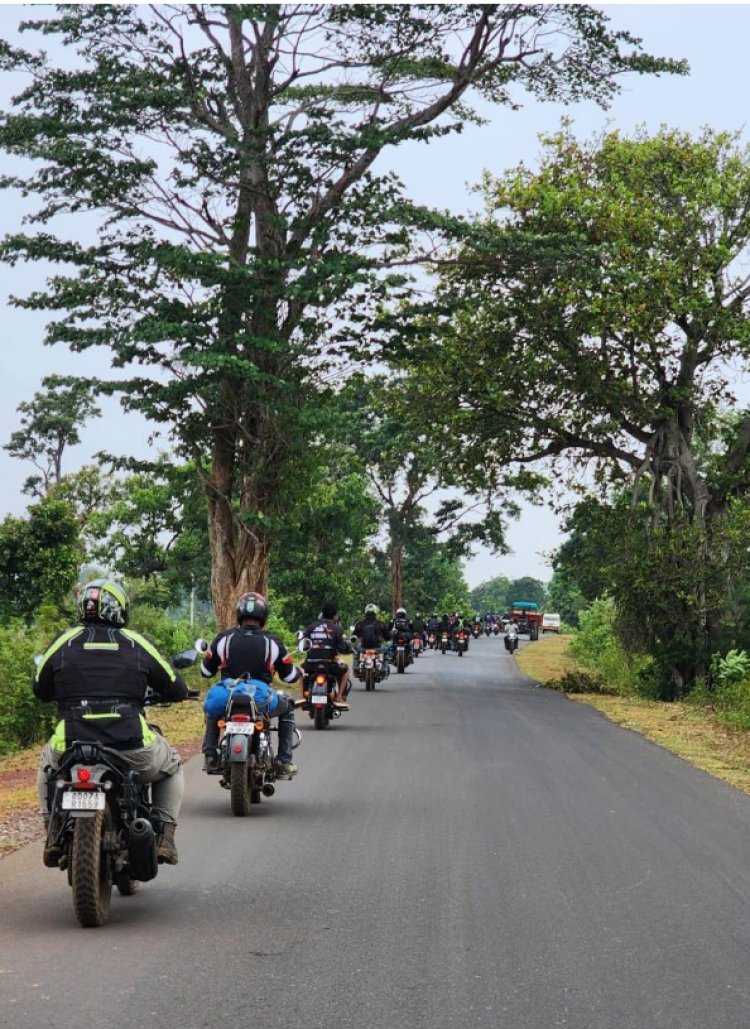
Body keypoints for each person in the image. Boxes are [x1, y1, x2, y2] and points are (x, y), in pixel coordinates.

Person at [33, 578, 188, 866]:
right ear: (119, 608)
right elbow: (175, 687)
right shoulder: (135, 641)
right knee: (172, 765)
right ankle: (165, 837)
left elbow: (40, 689)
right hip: (130, 747)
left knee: (46, 766)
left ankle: (52, 832)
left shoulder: (63, 642)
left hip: (71, 745)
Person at [201, 591, 302, 776]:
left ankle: (209, 754)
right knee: (287, 706)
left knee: (214, 706)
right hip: (260, 697)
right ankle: (284, 761)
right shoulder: (272, 641)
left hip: (229, 695)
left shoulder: (223, 638)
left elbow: (206, 672)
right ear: (263, 616)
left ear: (239, 614)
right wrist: (299, 673)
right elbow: (288, 677)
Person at [302, 601, 353, 706]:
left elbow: (304, 644)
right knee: (346, 671)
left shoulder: (310, 627)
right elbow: (342, 648)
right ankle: (339, 697)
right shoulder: (338, 629)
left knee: (301, 672)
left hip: (311, 664)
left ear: (322, 613)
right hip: (329, 665)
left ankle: (301, 696)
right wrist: (349, 649)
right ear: (335, 616)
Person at [353, 603, 390, 677]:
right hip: (377, 648)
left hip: (363, 648)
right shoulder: (381, 624)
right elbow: (387, 637)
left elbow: (353, 636)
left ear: (365, 611)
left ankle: (356, 668)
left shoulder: (360, 624)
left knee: (355, 651)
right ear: (375, 612)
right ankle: (384, 669)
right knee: (387, 650)